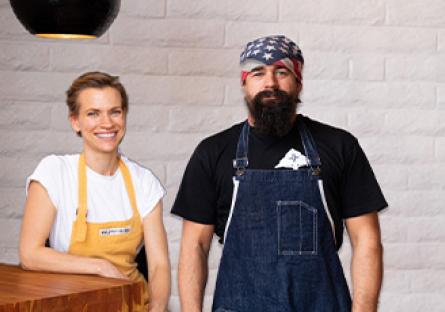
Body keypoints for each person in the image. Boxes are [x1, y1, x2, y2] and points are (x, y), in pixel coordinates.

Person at [172, 35, 387, 312]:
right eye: (258, 73)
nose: (270, 82)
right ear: (244, 83)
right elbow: (195, 247)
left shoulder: (339, 146)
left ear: (298, 81)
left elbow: (366, 240)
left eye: (281, 72)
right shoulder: (213, 152)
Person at [19, 72, 170, 312]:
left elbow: (159, 265)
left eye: (115, 111)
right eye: (93, 113)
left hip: (132, 304)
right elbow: (30, 254)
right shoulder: (55, 172)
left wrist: (157, 308)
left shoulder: (143, 182)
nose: (107, 123)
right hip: (70, 305)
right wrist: (100, 267)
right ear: (75, 121)